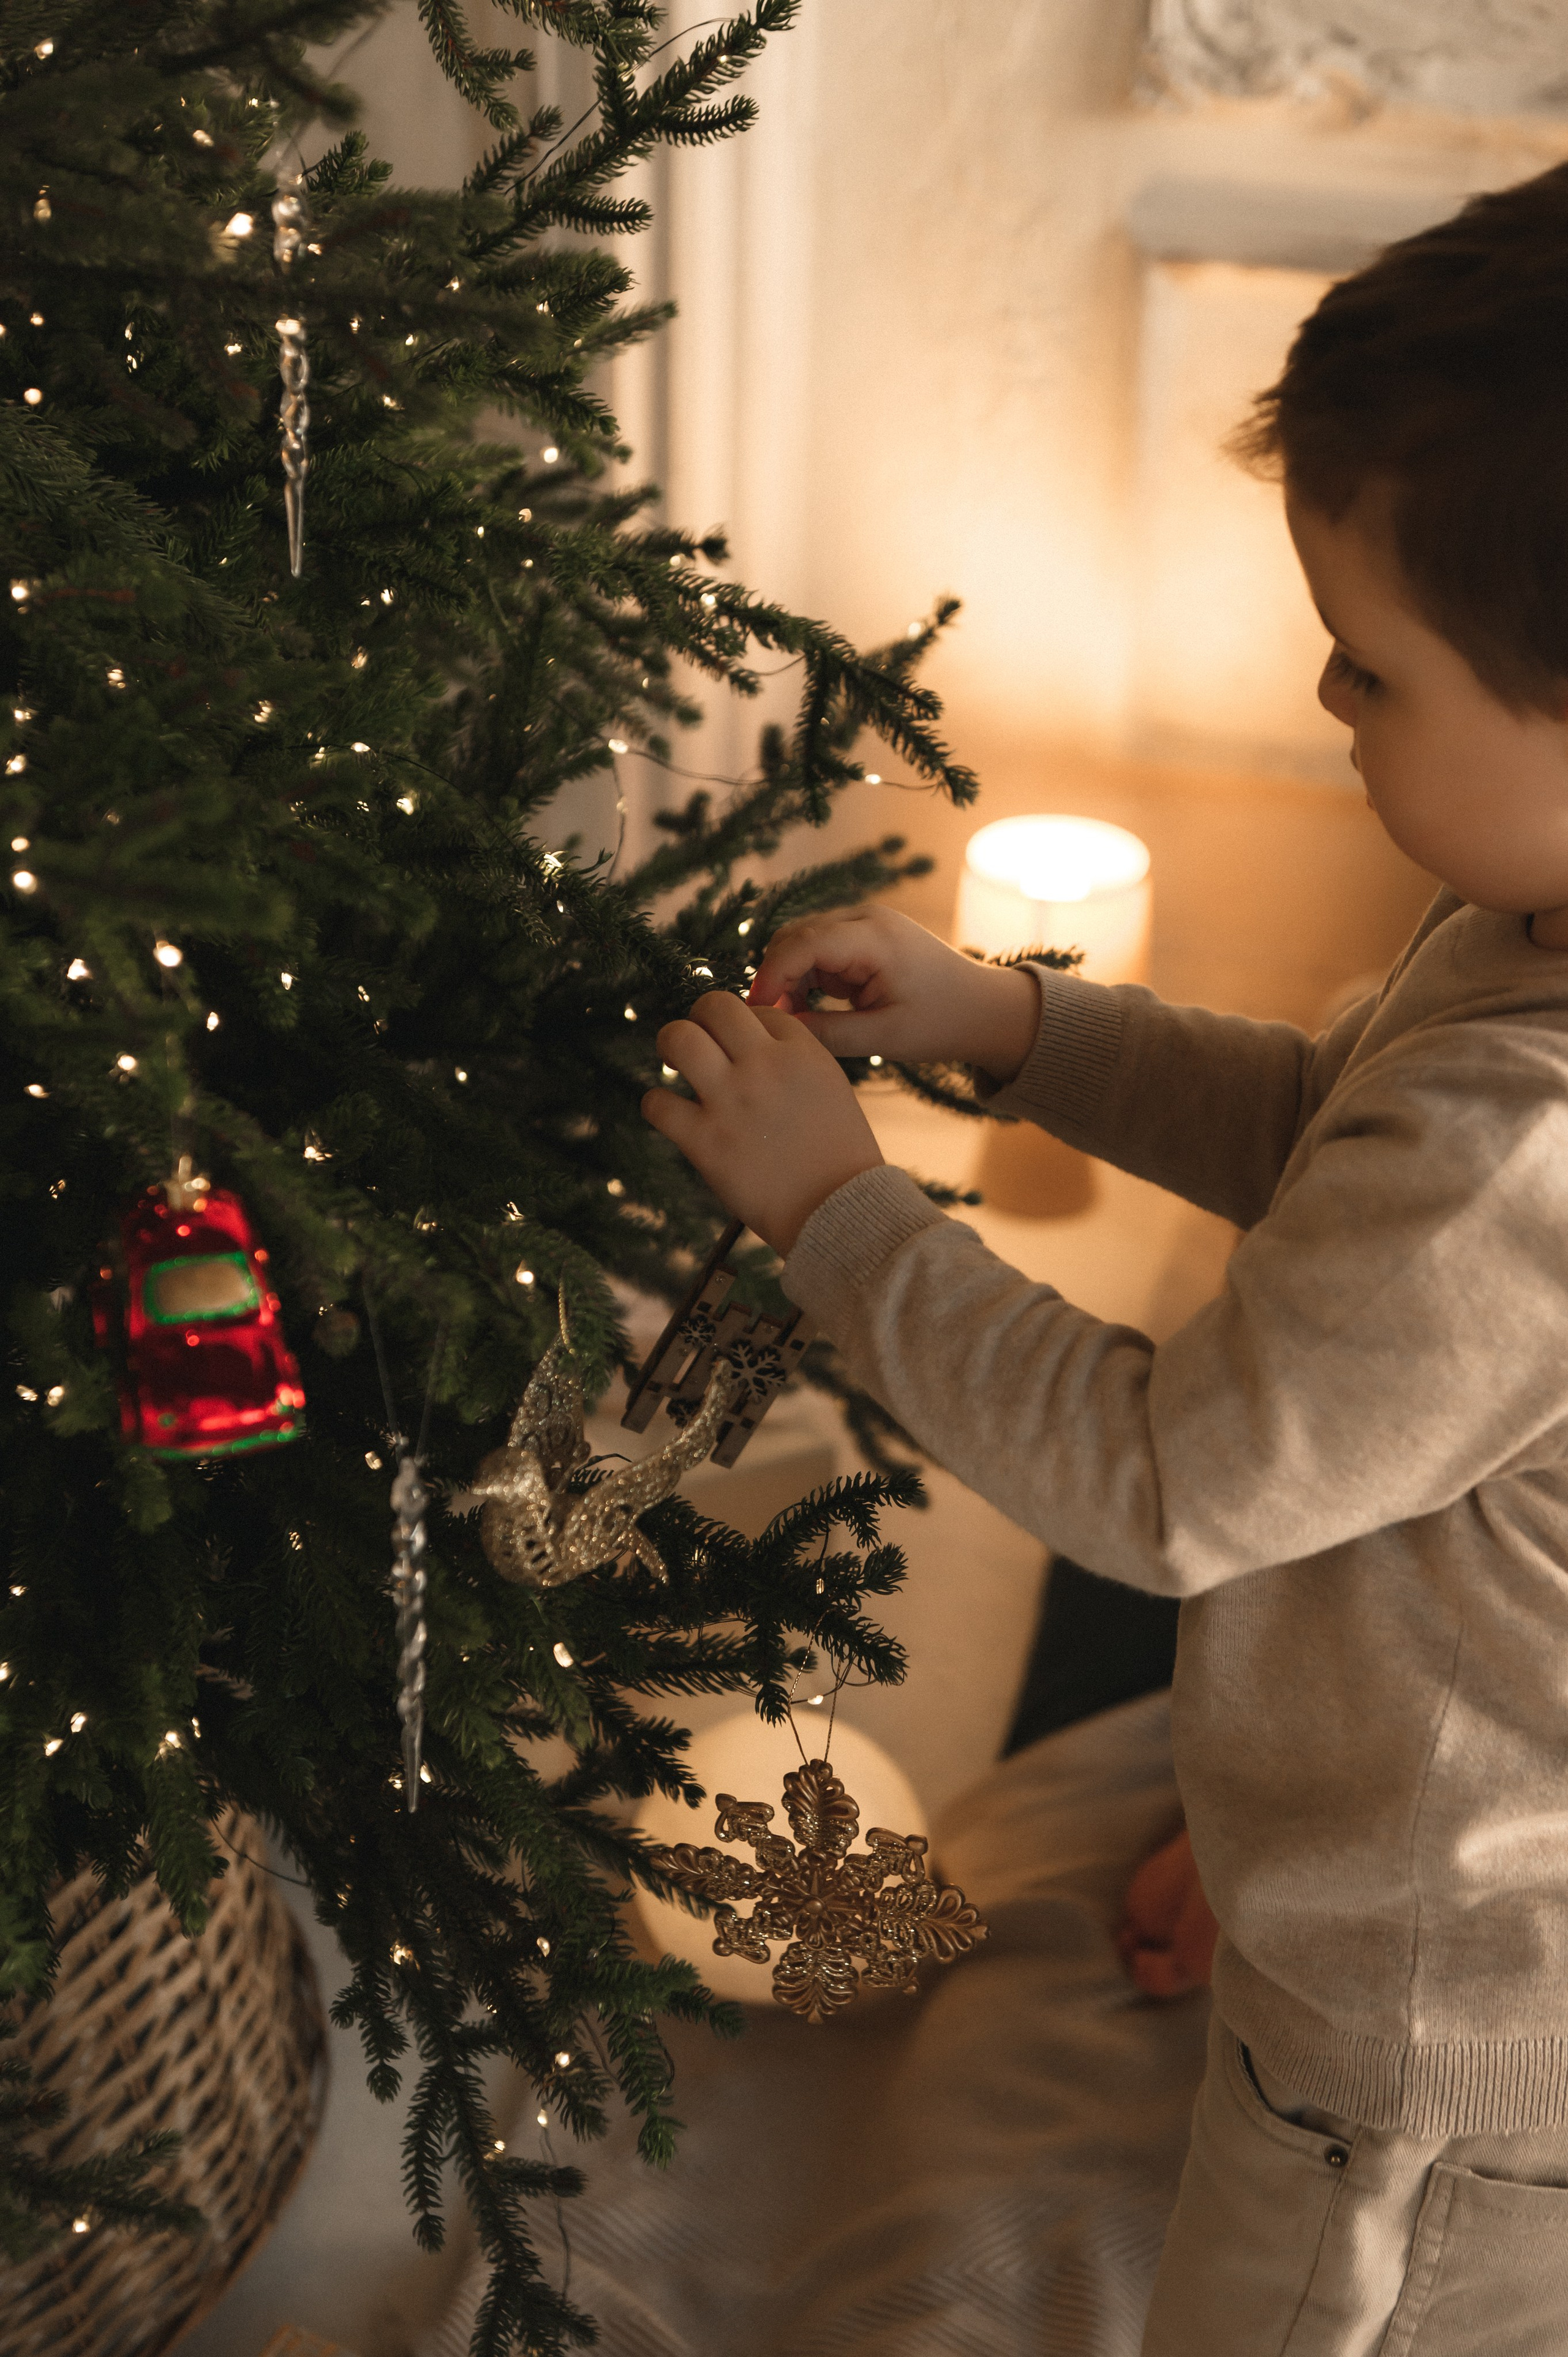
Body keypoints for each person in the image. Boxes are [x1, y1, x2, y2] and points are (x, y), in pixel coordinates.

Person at [641, 163, 1568, 2354]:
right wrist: (1018, 1025)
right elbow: (1324, 1142)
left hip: (1426, 2060)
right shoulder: (1519, 948)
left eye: (1369, 663)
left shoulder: (1530, 1144)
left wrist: (833, 1211)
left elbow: (1170, 1486)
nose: (1326, 696)